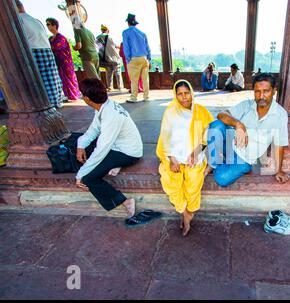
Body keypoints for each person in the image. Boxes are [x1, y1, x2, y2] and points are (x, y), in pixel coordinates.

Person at [206, 73, 290, 186]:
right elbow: (221, 114)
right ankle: (214, 163)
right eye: (257, 91)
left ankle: (223, 163)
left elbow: (279, 144)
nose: (261, 96)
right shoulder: (247, 105)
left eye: (266, 91)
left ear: (274, 91)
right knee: (216, 126)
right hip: (231, 146)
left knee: (221, 178)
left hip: (245, 159)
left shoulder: (280, 115)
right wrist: (238, 124)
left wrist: (278, 170)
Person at [75, 78, 143, 218]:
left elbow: (102, 149)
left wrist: (81, 174)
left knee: (89, 178)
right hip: (115, 146)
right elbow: (93, 130)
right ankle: (114, 165)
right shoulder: (103, 106)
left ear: (87, 99)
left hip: (128, 153)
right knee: (85, 147)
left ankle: (125, 201)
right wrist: (80, 145)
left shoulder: (111, 114)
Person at [156, 80, 214, 236]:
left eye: (186, 93)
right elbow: (165, 137)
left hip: (194, 154)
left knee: (194, 181)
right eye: (180, 94)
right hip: (174, 155)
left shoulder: (201, 111)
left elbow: (206, 137)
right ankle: (183, 211)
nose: (184, 97)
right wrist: (172, 158)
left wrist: (196, 152)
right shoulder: (170, 111)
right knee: (170, 181)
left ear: (192, 93)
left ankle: (189, 211)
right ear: (175, 95)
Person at [16, 1, 63, 109]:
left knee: (37, 81)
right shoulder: (36, 20)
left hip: (34, 51)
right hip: (46, 51)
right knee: (51, 80)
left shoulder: (18, 20)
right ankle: (54, 103)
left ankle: (44, 107)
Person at [46, 17, 81, 101]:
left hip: (65, 62)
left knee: (69, 78)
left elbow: (54, 47)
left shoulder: (61, 38)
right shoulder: (51, 38)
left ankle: (73, 95)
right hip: (56, 62)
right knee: (59, 78)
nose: (47, 26)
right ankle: (64, 95)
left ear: (54, 26)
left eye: (48, 24)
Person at [122, 14, 151, 103]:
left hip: (134, 59)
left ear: (128, 23)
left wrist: (128, 60)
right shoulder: (142, 33)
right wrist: (149, 59)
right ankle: (146, 97)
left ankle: (134, 97)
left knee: (134, 80)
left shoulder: (125, 32)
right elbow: (148, 48)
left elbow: (126, 47)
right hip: (144, 58)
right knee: (145, 79)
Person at [96, 24, 123, 91]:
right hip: (114, 58)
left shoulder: (98, 37)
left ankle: (110, 87)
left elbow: (97, 47)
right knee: (118, 72)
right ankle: (120, 87)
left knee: (108, 73)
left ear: (101, 30)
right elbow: (114, 46)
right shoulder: (110, 37)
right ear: (107, 30)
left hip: (105, 59)